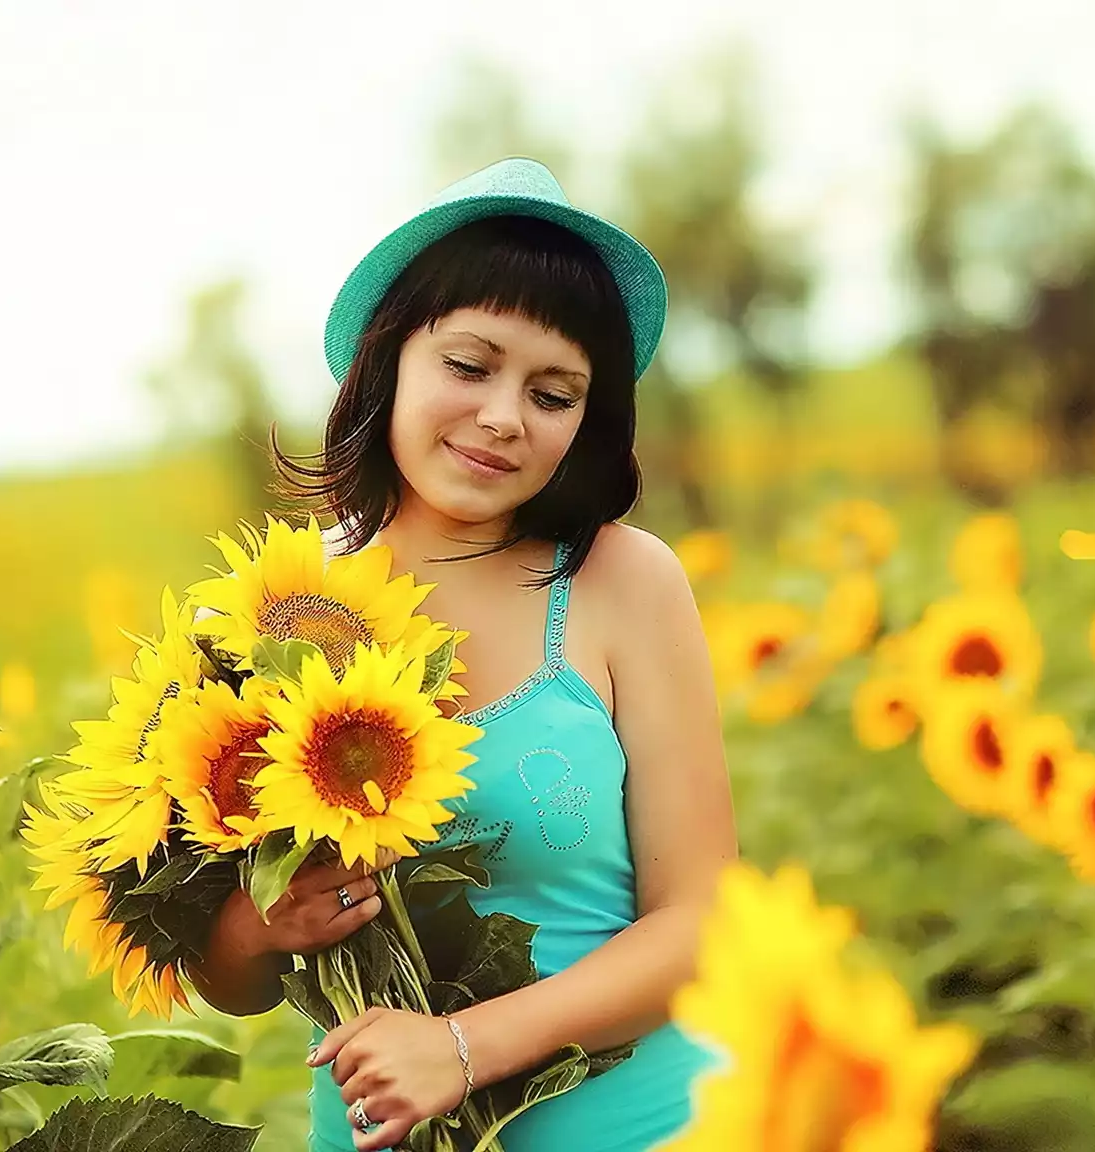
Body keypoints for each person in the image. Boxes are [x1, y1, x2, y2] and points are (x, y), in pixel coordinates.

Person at [184, 157, 737, 1152]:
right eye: (470, 366)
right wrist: (259, 925)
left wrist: (463, 1046)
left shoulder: (622, 583)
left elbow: (701, 924)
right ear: (390, 359)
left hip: (648, 1128)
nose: (503, 417)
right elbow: (226, 982)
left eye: (554, 392)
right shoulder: (275, 617)